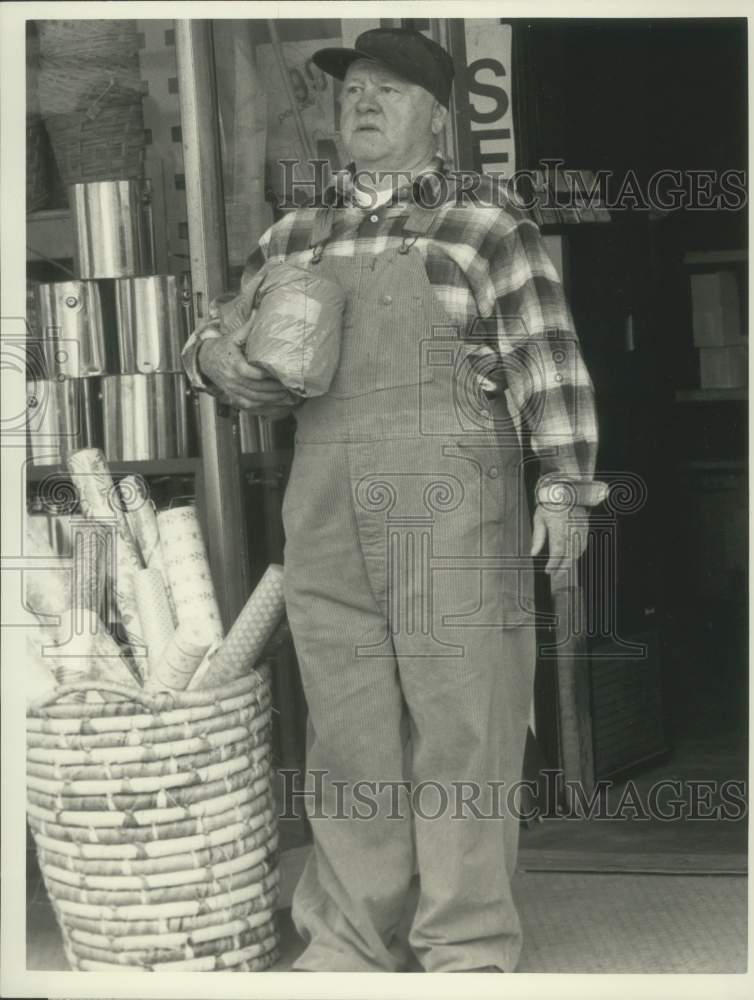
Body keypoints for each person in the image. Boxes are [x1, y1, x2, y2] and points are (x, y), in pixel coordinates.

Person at [182, 26, 606, 973]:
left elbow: (547, 353)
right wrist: (212, 361)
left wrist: (568, 485)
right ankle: (349, 940)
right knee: (347, 727)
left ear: (438, 116)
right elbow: (216, 338)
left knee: (464, 723)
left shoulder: (486, 221)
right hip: (326, 501)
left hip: (451, 497)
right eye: (350, 90)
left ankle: (464, 942)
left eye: (389, 90)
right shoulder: (295, 234)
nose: (363, 103)